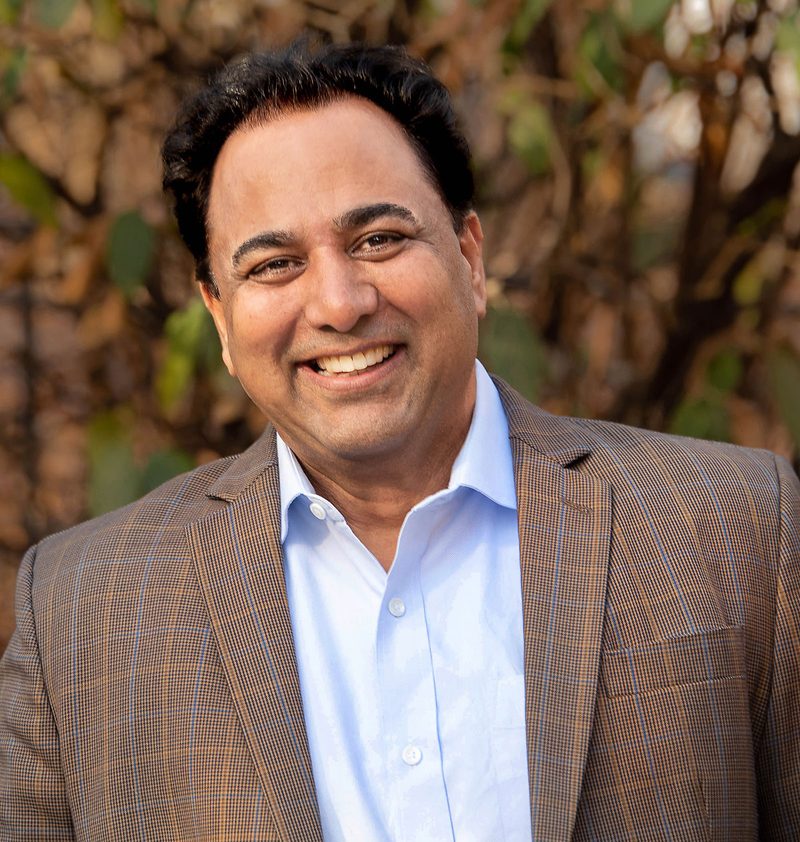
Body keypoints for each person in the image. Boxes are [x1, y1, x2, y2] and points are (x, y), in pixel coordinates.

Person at [1, 40, 798, 842]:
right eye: (274, 264)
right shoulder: (81, 613)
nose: (340, 304)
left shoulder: (733, 529)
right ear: (219, 317)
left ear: (471, 258)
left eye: (378, 239)